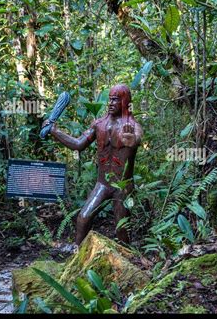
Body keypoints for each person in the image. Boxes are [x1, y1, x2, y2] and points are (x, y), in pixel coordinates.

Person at [43, 84, 143, 245]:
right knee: (83, 217)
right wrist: (55, 131)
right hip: (103, 183)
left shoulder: (132, 126)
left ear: (124, 102)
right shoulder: (99, 124)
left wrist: (132, 141)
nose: (110, 103)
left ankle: (127, 261)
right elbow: (78, 144)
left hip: (122, 186)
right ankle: (78, 256)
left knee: (122, 229)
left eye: (115, 100)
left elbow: (136, 137)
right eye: (110, 100)